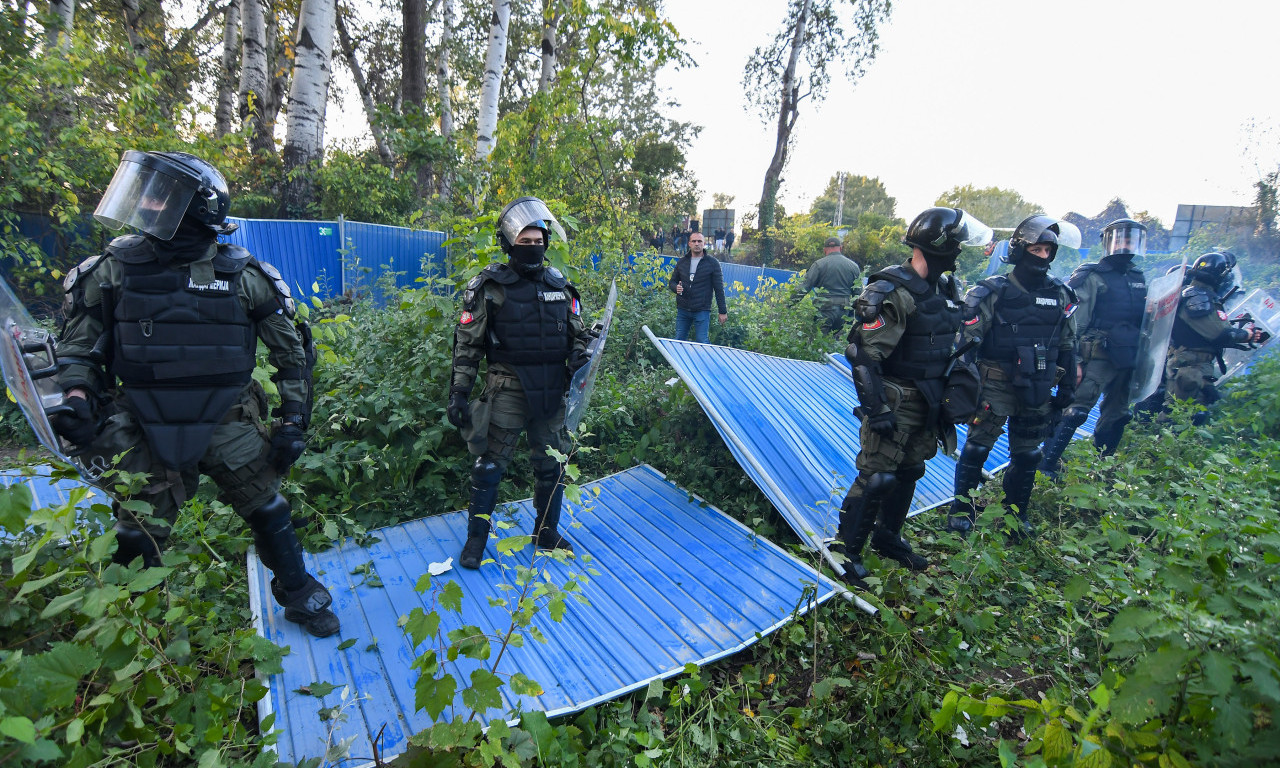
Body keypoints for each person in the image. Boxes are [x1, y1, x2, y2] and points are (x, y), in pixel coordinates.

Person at [51, 150, 339, 637]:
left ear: (196, 208)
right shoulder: (113, 270)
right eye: (146, 193)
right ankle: (141, 634)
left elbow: (292, 357)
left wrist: (293, 422)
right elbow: (77, 349)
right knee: (136, 532)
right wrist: (76, 396)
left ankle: (298, 594)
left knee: (269, 510)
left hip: (228, 420)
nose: (147, 204)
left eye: (161, 197)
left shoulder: (245, 275)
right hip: (144, 420)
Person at [834, 207, 992, 587]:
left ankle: (888, 538)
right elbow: (862, 355)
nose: (958, 251)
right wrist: (877, 408)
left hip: (930, 398)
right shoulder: (890, 290)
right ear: (938, 246)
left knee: (910, 471)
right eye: (954, 244)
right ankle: (846, 553)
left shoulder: (944, 289)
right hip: (896, 398)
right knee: (878, 476)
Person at [447, 197, 593, 570]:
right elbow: (468, 345)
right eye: (525, 241)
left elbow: (579, 333)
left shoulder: (561, 286)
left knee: (552, 467)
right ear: (510, 243)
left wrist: (579, 353)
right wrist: (459, 393)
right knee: (489, 467)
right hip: (508, 388)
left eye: (538, 240)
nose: (533, 247)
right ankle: (476, 540)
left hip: (551, 391)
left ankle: (546, 532)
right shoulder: (490, 287)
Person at [946, 215, 1080, 539]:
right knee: (978, 447)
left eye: (1048, 249)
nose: (1042, 255)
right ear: (1020, 249)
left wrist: (1067, 389)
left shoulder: (1062, 294)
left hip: (1038, 383)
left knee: (1029, 454)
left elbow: (1067, 343)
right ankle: (961, 511)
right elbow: (965, 343)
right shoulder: (991, 291)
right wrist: (963, 386)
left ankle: (1016, 515)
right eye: (1036, 248)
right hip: (995, 382)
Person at [1039, 218, 1149, 475]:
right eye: (1121, 238)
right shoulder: (1092, 276)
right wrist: (1074, 363)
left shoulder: (1137, 276)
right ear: (1109, 242)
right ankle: (1046, 464)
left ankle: (1103, 465)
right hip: (1095, 356)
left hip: (1127, 355)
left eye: (1131, 239)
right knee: (1075, 412)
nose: (1126, 244)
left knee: (1118, 414)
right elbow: (1075, 324)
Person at [1163, 251, 1265, 423]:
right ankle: (1156, 449)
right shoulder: (1197, 297)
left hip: (1196, 369)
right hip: (1189, 369)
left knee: (1192, 417)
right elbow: (1219, 334)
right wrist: (1247, 335)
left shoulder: (1200, 295)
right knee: (1175, 418)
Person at [794, 235, 863, 334]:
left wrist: (788, 304)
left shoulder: (819, 264)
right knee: (839, 344)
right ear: (840, 248)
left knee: (819, 343)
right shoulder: (853, 266)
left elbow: (804, 287)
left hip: (824, 309)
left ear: (825, 250)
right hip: (845, 310)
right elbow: (858, 294)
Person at [667, 232, 728, 343]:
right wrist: (675, 288)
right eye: (694, 241)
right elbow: (672, 282)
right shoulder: (682, 262)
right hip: (683, 309)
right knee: (679, 340)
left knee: (702, 342)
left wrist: (722, 311)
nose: (697, 244)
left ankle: (706, 360)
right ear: (689, 243)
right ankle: (679, 361)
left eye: (699, 241)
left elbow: (719, 289)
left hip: (702, 310)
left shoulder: (713, 263)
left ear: (704, 244)